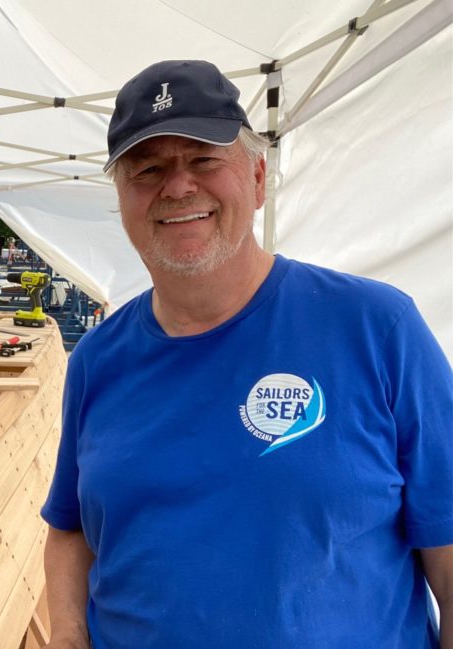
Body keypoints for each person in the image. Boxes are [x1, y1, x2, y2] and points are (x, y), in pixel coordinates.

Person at [40, 59, 453, 649]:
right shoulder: (96, 359)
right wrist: (66, 632)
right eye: (148, 169)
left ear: (258, 179)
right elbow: (69, 529)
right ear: (123, 201)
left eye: (204, 159)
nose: (177, 186)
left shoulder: (378, 328)